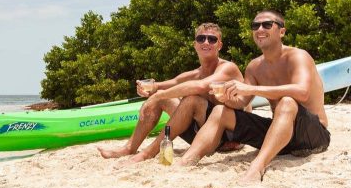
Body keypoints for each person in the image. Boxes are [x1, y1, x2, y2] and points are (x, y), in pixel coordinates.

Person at [177, 10, 330, 184]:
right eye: (255, 26)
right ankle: (186, 161)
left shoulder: (298, 56)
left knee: (287, 101)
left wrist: (249, 88)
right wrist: (226, 96)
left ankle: (257, 167)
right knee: (221, 111)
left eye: (267, 24)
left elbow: (302, 92)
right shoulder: (254, 66)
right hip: (280, 136)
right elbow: (242, 101)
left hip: (312, 135)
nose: (260, 29)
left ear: (282, 31)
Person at [97, 22, 245, 163]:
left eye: (212, 39)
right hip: (203, 136)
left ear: (219, 45)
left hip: (229, 137)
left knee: (191, 99)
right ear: (195, 45)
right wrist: (150, 88)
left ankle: (148, 153)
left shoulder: (228, 68)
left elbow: (201, 86)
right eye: (201, 38)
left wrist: (157, 95)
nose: (206, 42)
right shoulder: (195, 73)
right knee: (163, 98)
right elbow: (170, 83)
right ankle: (129, 148)